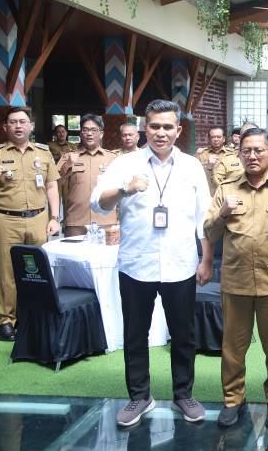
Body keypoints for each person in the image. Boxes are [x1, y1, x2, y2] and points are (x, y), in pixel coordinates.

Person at [90, 99, 212, 427]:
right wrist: (124, 189)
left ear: (178, 130)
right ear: (145, 128)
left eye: (167, 127)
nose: (161, 133)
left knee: (183, 334)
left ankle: (184, 394)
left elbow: (204, 217)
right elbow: (98, 203)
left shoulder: (191, 166)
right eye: (155, 126)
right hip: (136, 264)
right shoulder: (125, 163)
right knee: (135, 334)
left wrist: (206, 259)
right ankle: (139, 397)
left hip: (180, 264)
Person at [204, 128, 268, 429]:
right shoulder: (226, 189)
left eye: (258, 150)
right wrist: (222, 213)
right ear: (239, 154)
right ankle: (233, 399)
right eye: (246, 151)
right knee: (232, 348)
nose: (252, 156)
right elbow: (209, 231)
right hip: (236, 282)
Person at [0, 107, 61, 341]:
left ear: (31, 126)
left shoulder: (43, 152)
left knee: (38, 269)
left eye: (23, 121)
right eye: (13, 122)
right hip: (7, 220)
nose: (18, 126)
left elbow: (52, 186)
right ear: (5, 127)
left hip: (38, 219)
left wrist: (55, 218)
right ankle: (6, 320)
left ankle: (37, 316)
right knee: (6, 271)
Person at [57, 114, 117, 237]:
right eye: (85, 130)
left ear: (101, 134)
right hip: (76, 222)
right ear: (81, 133)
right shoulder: (68, 157)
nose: (89, 133)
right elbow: (55, 183)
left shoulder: (113, 158)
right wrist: (68, 165)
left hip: (106, 222)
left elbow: (122, 189)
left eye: (93, 130)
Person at [196, 127, 228, 195]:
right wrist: (208, 166)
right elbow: (194, 175)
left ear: (224, 139)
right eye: (213, 137)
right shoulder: (201, 154)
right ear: (209, 139)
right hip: (207, 193)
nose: (216, 139)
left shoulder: (232, 155)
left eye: (218, 137)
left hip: (226, 193)